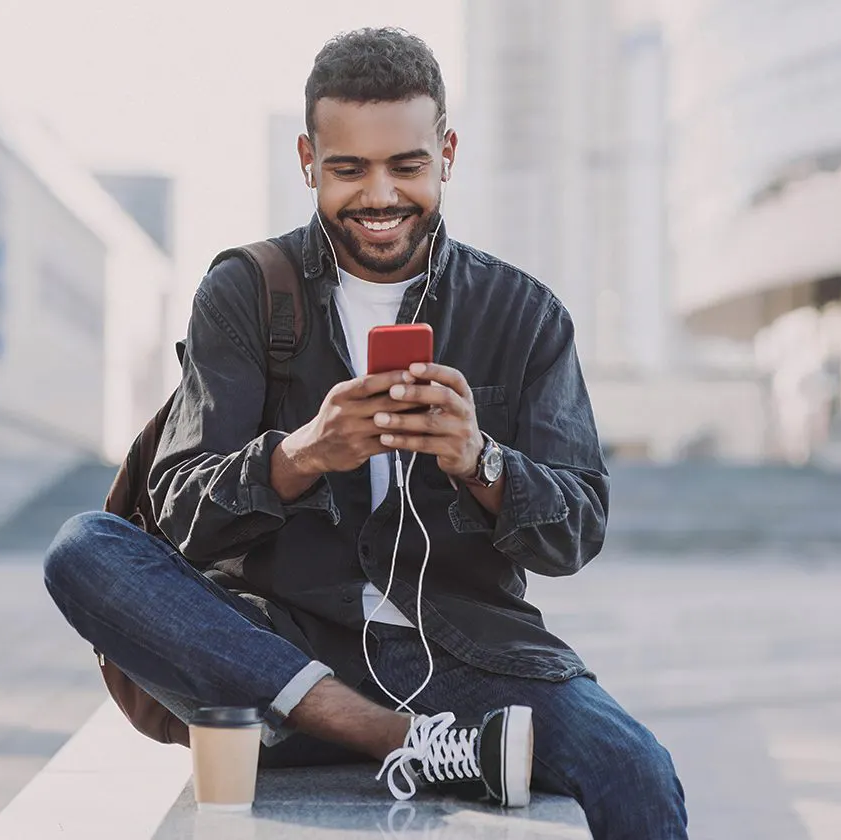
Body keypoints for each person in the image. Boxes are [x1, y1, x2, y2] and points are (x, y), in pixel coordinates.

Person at [43, 27, 688, 839]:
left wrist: (478, 460)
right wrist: (303, 454)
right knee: (81, 549)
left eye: (407, 166)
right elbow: (177, 509)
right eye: (349, 169)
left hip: (471, 662)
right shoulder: (244, 291)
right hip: (277, 665)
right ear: (310, 161)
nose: (380, 197)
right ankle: (408, 744)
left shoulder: (523, 316)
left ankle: (443, 739)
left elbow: (577, 532)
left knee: (638, 771)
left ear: (446, 153)